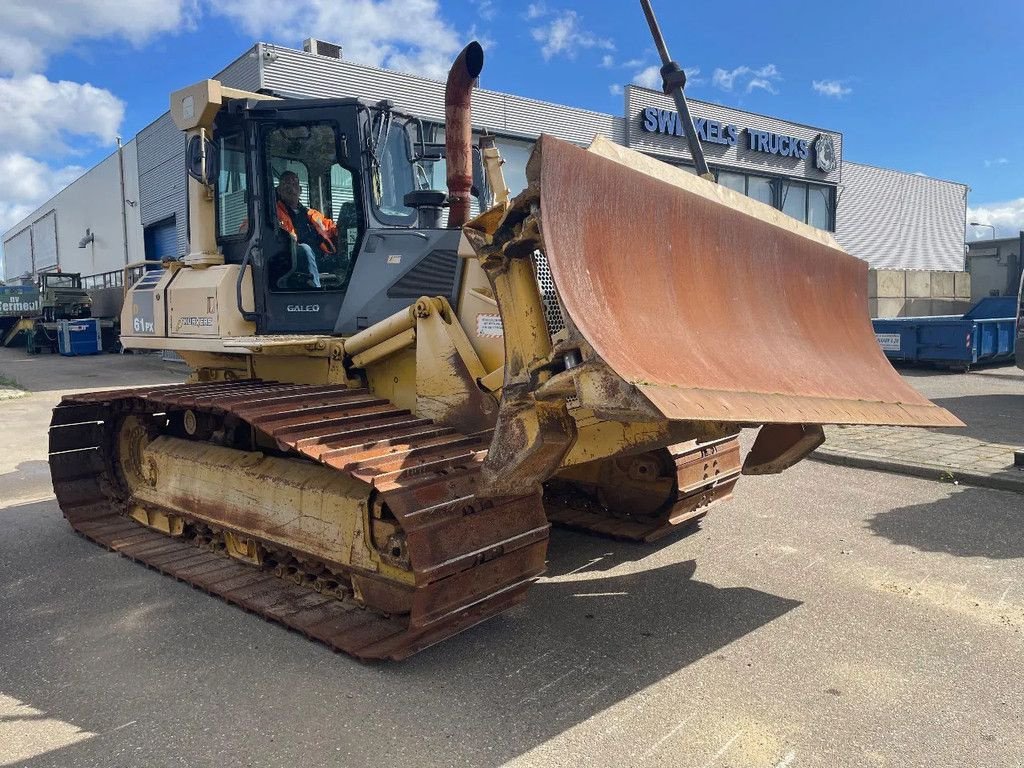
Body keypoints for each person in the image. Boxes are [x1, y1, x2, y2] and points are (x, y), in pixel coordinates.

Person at [275, 171, 338, 289]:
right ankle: (316, 289)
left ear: (300, 190)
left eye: (294, 184)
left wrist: (345, 228)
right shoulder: (272, 213)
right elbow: (247, 227)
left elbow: (331, 227)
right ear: (279, 190)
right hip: (291, 260)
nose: (291, 187)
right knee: (304, 249)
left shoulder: (312, 214)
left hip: (320, 257)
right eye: (286, 184)